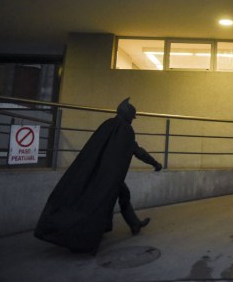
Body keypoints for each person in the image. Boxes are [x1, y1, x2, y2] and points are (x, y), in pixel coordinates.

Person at [34, 98, 162, 253]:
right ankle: (89, 235)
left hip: (97, 173)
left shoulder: (107, 124)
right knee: (108, 199)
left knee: (123, 194)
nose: (132, 120)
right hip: (109, 177)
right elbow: (137, 151)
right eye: (132, 117)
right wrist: (155, 163)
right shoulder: (126, 131)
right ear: (128, 115)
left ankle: (134, 224)